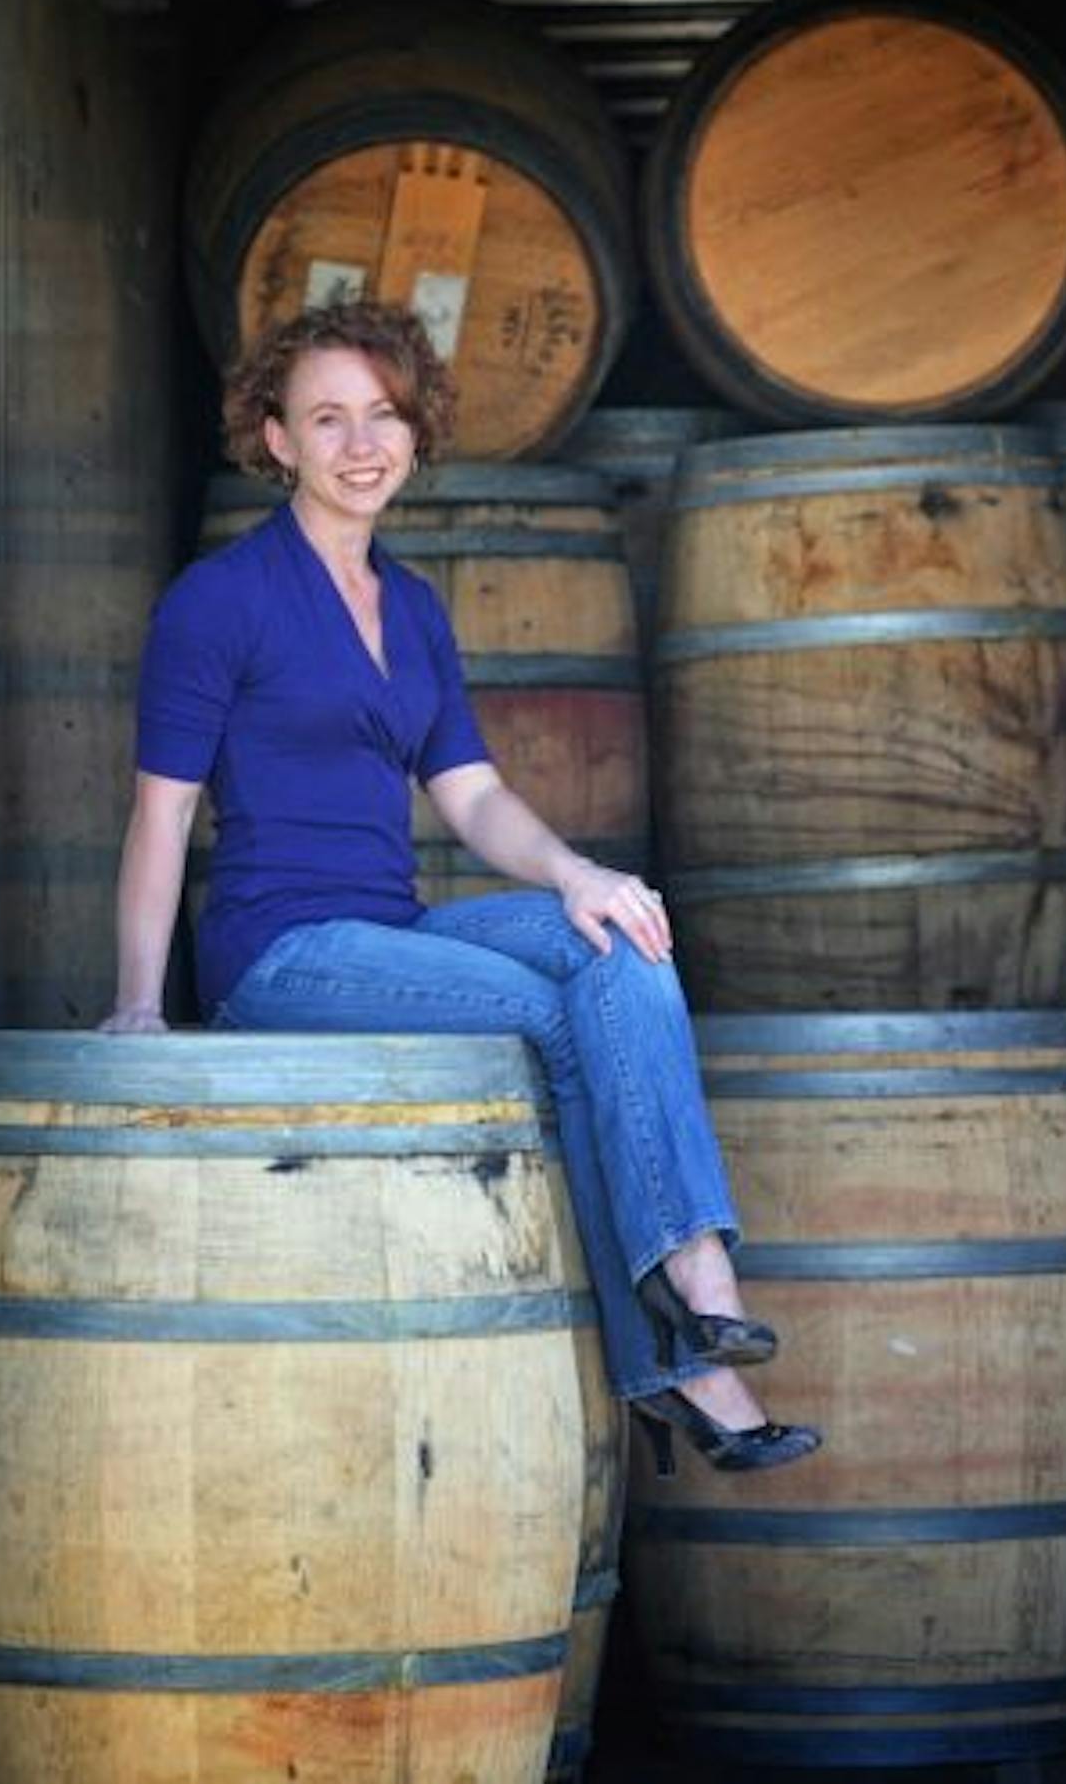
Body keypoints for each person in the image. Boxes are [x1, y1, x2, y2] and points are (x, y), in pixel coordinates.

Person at [99, 299, 818, 1477]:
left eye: (383, 414)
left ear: (416, 431)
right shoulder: (216, 603)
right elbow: (161, 813)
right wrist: (137, 999)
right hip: (283, 955)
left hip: (395, 932)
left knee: (619, 946)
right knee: (552, 1017)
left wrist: (583, 874)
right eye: (325, 418)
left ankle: (694, 1286)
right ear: (274, 439)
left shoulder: (415, 609)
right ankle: (688, 1345)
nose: (360, 443)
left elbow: (475, 797)